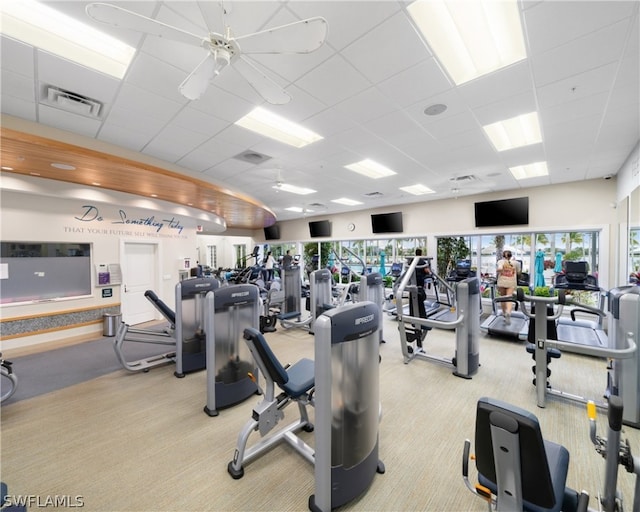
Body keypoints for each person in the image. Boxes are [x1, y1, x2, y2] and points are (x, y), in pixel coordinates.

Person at [409, 249, 432, 348]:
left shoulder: (411, 261)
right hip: (419, 287)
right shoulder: (422, 262)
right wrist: (430, 273)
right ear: (421, 254)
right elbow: (427, 271)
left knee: (414, 305)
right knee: (421, 300)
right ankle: (421, 323)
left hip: (412, 287)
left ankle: (415, 321)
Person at [496, 248, 521, 324]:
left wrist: (500, 269)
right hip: (511, 282)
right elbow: (519, 272)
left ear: (503, 256)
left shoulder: (500, 261)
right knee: (509, 298)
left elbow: (499, 268)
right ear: (511, 256)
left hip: (501, 282)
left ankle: (504, 314)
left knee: (503, 298)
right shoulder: (517, 263)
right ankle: (508, 313)